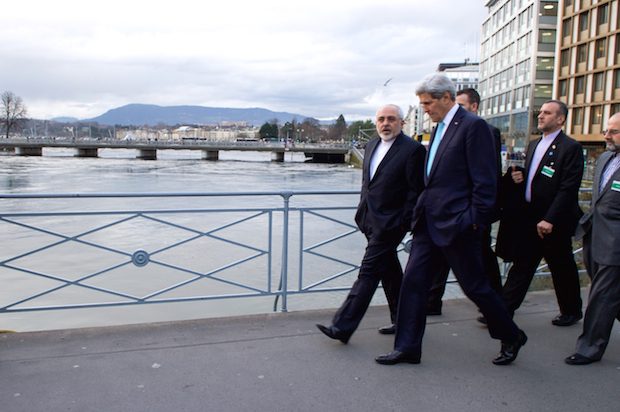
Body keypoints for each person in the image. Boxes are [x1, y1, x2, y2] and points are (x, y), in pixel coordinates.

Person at [375, 74, 526, 366]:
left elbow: (485, 184)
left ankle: (511, 334)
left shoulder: (474, 127)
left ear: (446, 98)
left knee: (476, 288)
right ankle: (407, 347)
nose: (425, 109)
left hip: (457, 225)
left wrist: (471, 222)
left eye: (427, 103)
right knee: (413, 284)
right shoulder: (441, 127)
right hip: (428, 223)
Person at [316, 104, 426, 343]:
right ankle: (401, 320)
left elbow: (416, 192)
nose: (385, 123)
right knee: (390, 272)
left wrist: (402, 222)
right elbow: (368, 183)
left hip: (391, 224)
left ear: (401, 123)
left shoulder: (413, 150)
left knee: (367, 272)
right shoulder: (372, 145)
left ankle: (342, 326)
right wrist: (362, 213)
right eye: (381, 119)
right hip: (368, 219)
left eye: (391, 119)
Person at [499, 100, 584, 326]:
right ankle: (502, 311)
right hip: (530, 217)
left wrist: (550, 219)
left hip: (553, 221)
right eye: (541, 112)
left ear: (560, 119)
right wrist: (520, 177)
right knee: (522, 265)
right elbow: (538, 177)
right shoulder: (534, 145)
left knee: (561, 266)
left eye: (547, 113)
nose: (541, 116)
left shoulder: (570, 147)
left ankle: (571, 311)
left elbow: (568, 187)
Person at [426, 88, 503, 315]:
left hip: (468, 214)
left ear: (474, 106)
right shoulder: (440, 129)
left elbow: (488, 175)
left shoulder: (483, 129)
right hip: (442, 214)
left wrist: (475, 217)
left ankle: (498, 311)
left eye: (460, 105)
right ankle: (431, 302)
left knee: (478, 270)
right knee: (434, 264)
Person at [565, 113, 620, 365]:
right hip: (594, 234)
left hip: (615, 244)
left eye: (613, 131)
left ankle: (589, 348)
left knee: (602, 295)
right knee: (609, 294)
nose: (606, 136)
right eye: (607, 130)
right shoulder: (606, 159)